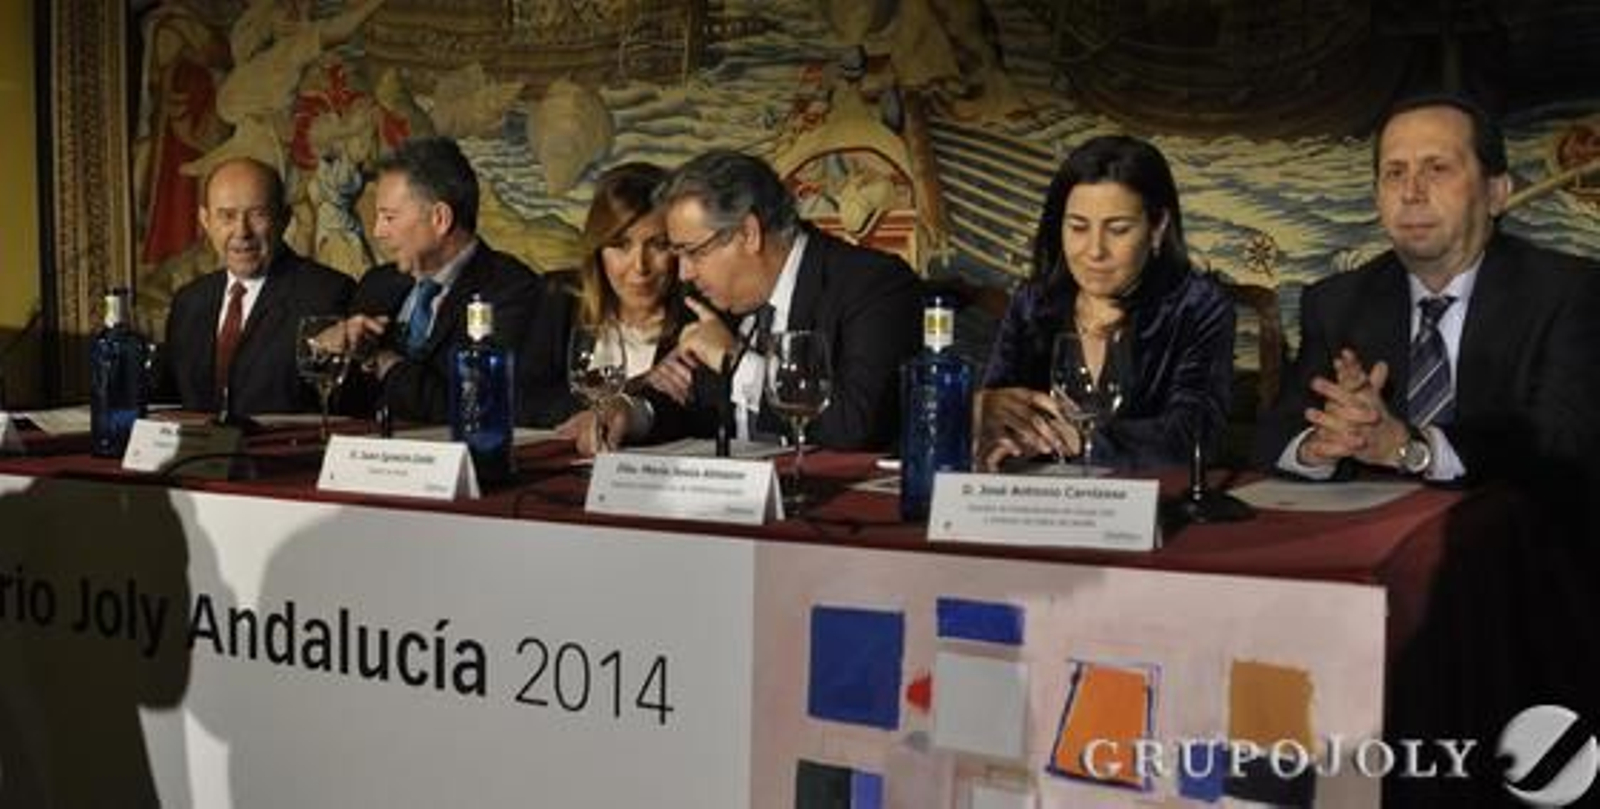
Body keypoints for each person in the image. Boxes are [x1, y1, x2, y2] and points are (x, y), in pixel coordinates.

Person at [1255, 94, 1600, 487]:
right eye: (1395, 173)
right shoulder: (1336, 302)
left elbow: (1563, 440)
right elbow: (1272, 436)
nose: (1411, 192)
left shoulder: (1568, 291)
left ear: (1497, 193)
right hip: (1374, 539)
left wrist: (1415, 449)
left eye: (1437, 168)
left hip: (1518, 536)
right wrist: (1320, 444)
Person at [595, 149, 923, 453]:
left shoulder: (872, 285)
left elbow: (855, 427)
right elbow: (683, 396)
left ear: (748, 233)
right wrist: (632, 412)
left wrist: (736, 362)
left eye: (693, 252)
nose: (683, 273)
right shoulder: (709, 297)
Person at [976, 135, 1236, 471]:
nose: (1095, 251)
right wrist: (984, 411)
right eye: (1078, 228)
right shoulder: (1033, 304)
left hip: (1151, 507)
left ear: (1157, 228)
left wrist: (1080, 441)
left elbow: (1195, 437)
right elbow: (1000, 413)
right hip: (1041, 505)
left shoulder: (1197, 305)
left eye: (1118, 229)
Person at [341, 136, 545, 423]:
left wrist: (385, 363)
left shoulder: (511, 290)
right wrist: (333, 351)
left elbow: (474, 406)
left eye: (389, 217)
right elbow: (346, 403)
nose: (377, 232)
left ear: (440, 218)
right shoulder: (377, 284)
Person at [162, 157, 354, 417]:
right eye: (227, 216)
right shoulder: (189, 301)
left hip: (285, 454)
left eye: (258, 214)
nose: (242, 231)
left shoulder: (326, 293)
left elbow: (339, 406)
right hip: (198, 457)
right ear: (205, 221)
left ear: (284, 219)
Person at [519, 162, 692, 436]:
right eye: (621, 245)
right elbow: (523, 400)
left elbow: (693, 415)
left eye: (658, 245)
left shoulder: (695, 316)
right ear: (598, 249)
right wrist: (629, 392)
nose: (640, 267)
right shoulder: (561, 296)